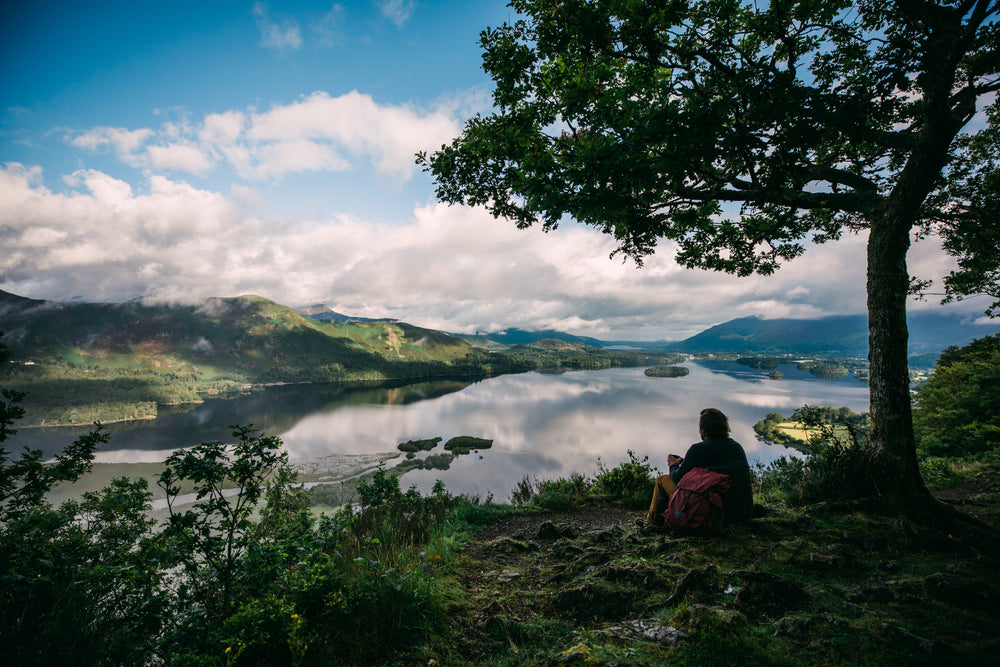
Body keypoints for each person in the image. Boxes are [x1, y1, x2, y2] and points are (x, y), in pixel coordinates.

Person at [645, 407, 754, 527]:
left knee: (662, 480)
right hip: (742, 513)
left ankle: (652, 522)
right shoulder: (736, 447)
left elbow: (678, 480)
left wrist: (673, 465)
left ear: (703, 430)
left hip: (714, 515)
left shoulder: (697, 450)